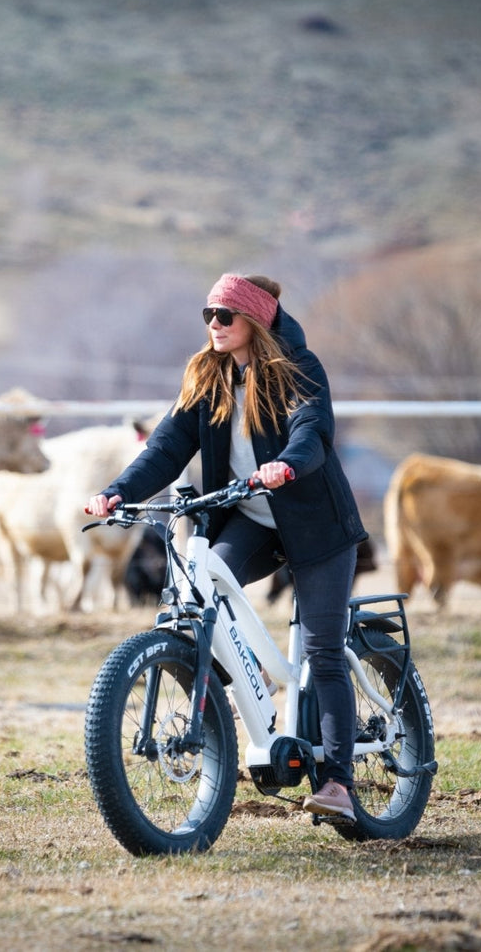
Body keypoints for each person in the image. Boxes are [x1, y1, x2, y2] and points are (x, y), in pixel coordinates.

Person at [85, 272, 368, 821]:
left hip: (317, 526)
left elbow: (312, 429)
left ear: (254, 321)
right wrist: (117, 491)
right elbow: (167, 448)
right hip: (253, 519)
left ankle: (338, 783)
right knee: (203, 582)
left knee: (324, 652)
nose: (214, 325)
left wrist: (288, 464)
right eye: (208, 315)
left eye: (225, 315)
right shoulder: (207, 376)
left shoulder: (297, 368)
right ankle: (244, 677)